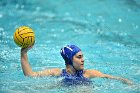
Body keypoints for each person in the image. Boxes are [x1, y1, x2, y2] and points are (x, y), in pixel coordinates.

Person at [21, 44, 133, 85]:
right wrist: (23, 53)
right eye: (79, 57)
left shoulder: (88, 73)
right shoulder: (57, 73)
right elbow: (30, 75)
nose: (83, 60)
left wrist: (127, 81)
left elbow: (111, 77)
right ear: (69, 60)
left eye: (82, 56)